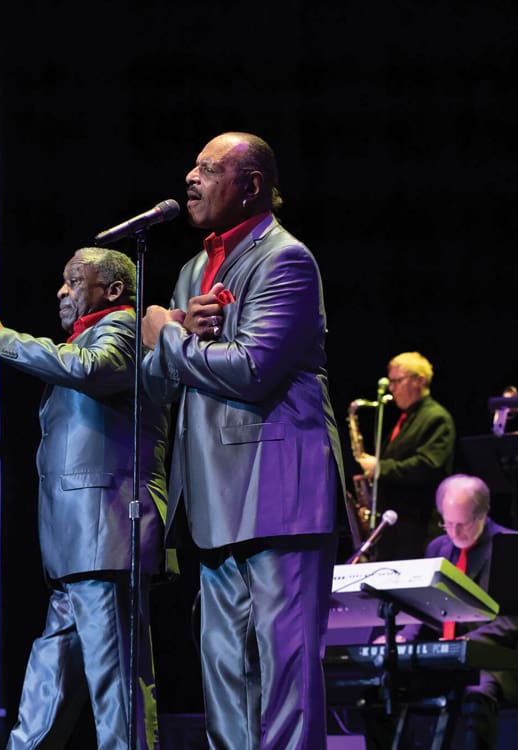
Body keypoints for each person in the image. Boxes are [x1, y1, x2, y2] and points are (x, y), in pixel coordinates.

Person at [140, 131, 341, 750]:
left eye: (208, 169)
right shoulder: (192, 269)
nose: (190, 179)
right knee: (225, 672)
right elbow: (160, 382)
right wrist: (167, 336)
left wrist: (170, 336)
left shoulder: (285, 259)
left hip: (279, 493)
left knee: (284, 672)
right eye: (194, 167)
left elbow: (254, 368)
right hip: (212, 498)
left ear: (251, 185)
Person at [0, 247, 169, 750]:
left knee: (117, 689)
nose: (62, 291)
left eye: (74, 281)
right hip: (78, 545)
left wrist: (2, 338)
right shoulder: (87, 338)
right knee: (47, 685)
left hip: (107, 536)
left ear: (113, 290)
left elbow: (90, 368)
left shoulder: (124, 328)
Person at [361, 475, 518, 750]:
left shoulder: (508, 546)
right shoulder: (438, 548)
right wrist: (404, 637)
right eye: (447, 523)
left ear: (483, 514)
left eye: (462, 524)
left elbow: (510, 623)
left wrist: (465, 644)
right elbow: (424, 607)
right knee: (377, 691)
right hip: (443, 661)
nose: (454, 532)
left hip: (490, 662)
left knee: (476, 693)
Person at [354, 352, 456, 561]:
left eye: (397, 381)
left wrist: (380, 468)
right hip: (396, 530)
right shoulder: (407, 419)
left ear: (420, 381)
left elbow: (427, 467)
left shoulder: (436, 418)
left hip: (418, 529)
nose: (391, 389)